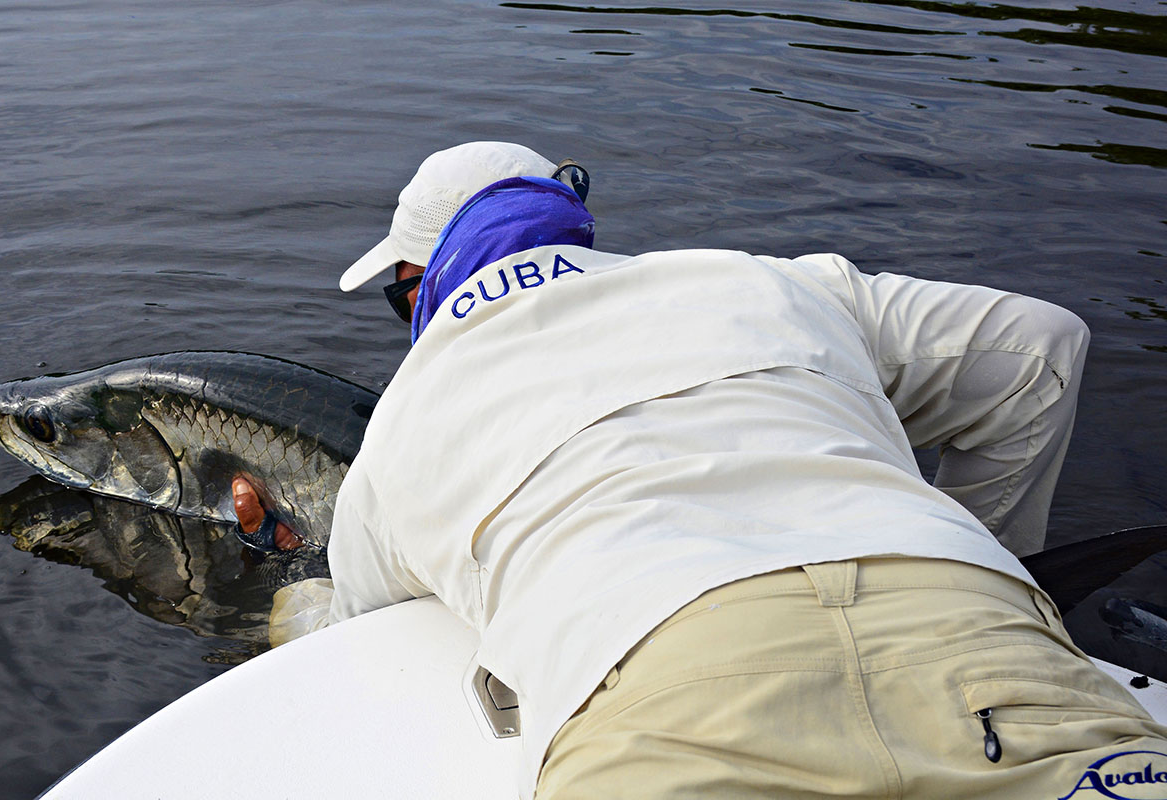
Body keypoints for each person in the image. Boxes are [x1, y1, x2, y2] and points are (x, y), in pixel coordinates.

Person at [235, 142, 1167, 799]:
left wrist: (279, 557)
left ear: (421, 287)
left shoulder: (406, 424)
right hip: (972, 628)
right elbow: (1041, 348)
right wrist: (985, 557)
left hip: (668, 690)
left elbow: (351, 641)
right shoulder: (767, 280)